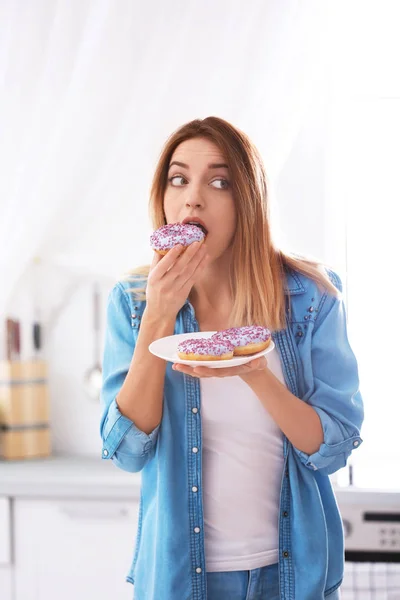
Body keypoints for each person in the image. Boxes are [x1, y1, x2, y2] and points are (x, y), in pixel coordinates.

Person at [100, 116, 364, 600]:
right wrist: (159, 315)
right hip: (181, 580)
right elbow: (127, 452)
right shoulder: (133, 300)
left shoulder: (311, 296)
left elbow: (334, 450)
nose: (193, 197)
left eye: (219, 182)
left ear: (249, 201)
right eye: (178, 179)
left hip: (291, 576)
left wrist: (256, 372)